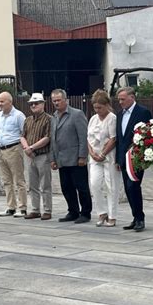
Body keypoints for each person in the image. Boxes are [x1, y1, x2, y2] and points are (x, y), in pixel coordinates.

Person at [49, 89, 92, 223]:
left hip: (75, 158)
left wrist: (82, 156)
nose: (56, 103)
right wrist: (53, 158)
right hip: (61, 159)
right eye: (54, 101)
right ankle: (72, 211)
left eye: (58, 100)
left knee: (81, 187)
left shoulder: (76, 114)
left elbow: (83, 137)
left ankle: (85, 213)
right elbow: (53, 139)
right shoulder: (54, 116)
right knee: (66, 187)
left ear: (65, 100)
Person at [115, 87, 151, 232]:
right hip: (123, 158)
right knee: (128, 189)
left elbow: (147, 135)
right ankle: (135, 217)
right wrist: (118, 159)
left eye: (123, 99)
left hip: (136, 157)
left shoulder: (142, 112)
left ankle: (140, 218)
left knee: (133, 186)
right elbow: (119, 138)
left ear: (132, 97)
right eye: (119, 99)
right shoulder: (119, 115)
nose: (120, 102)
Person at [87, 89, 120, 227]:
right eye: (95, 107)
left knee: (111, 186)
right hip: (94, 157)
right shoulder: (93, 119)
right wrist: (92, 153)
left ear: (107, 105)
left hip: (109, 157)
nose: (97, 110)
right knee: (94, 184)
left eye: (100, 107)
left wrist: (103, 154)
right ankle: (101, 212)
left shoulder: (112, 118)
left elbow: (113, 139)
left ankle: (112, 215)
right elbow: (88, 138)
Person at [20, 93, 53, 220]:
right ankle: (35, 209)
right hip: (29, 155)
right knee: (32, 184)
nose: (33, 105)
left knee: (45, 184)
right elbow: (22, 135)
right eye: (31, 104)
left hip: (42, 155)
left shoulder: (48, 119)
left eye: (37, 103)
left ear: (43, 104)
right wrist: (26, 148)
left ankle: (47, 210)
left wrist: (32, 148)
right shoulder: (27, 120)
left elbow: (47, 137)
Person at [0, 91, 27, 217]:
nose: (0, 104)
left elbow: (24, 132)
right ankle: (10, 207)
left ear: (10, 101)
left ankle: (22, 207)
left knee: (19, 180)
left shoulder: (19, 116)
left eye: (2, 101)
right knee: (6, 180)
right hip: (1, 150)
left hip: (14, 149)